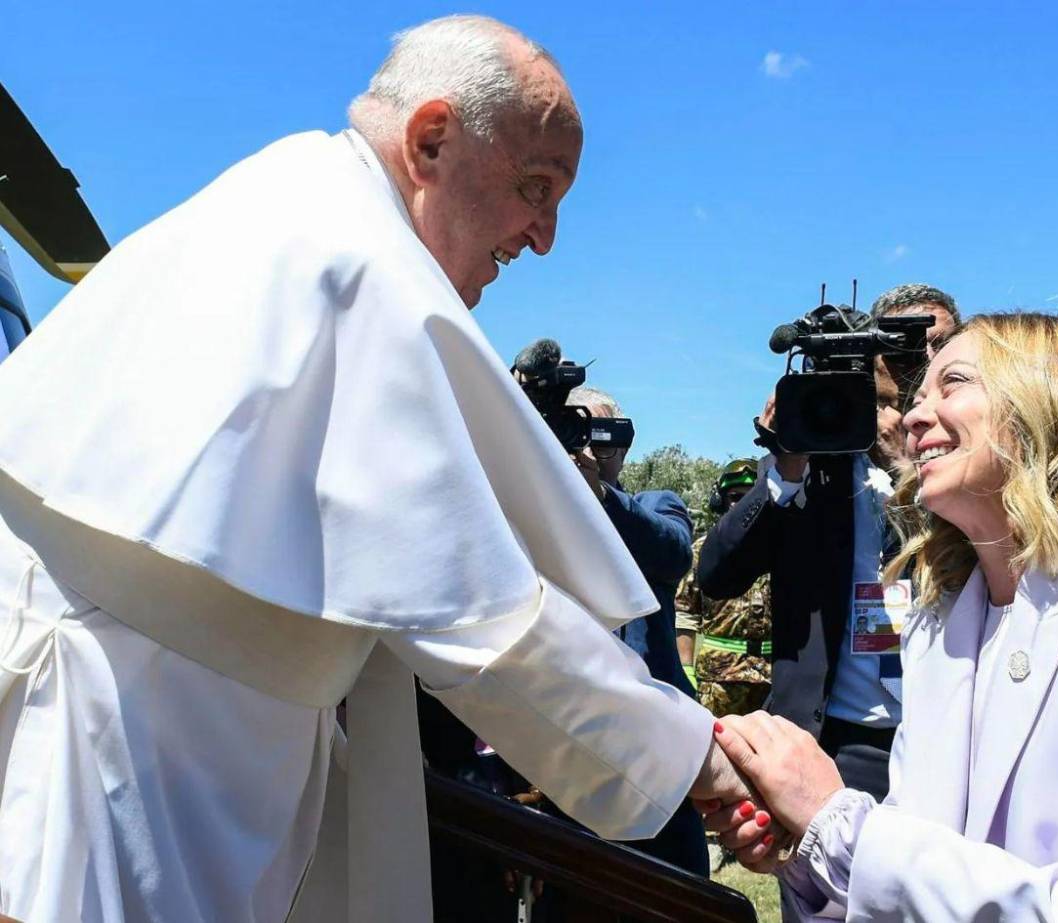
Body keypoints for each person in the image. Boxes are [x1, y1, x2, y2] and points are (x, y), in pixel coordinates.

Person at [0, 16, 750, 923]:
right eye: (535, 186)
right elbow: (480, 621)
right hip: (123, 768)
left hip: (178, 745)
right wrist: (692, 755)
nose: (543, 236)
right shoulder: (350, 259)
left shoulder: (295, 202)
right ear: (431, 140)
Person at [706, 313, 1058, 921]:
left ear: (1050, 406)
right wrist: (807, 852)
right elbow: (925, 869)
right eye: (914, 399)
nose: (912, 419)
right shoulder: (939, 624)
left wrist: (838, 823)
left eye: (953, 384)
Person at [699, 305, 958, 802]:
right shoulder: (802, 473)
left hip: (938, 736)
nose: (889, 412)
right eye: (875, 397)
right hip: (830, 740)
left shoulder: (956, 469)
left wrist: (909, 468)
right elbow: (717, 575)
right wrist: (786, 466)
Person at [565, 384, 708, 876]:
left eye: (599, 438)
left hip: (655, 736)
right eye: (573, 433)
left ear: (622, 448)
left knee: (677, 882)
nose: (586, 451)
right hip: (572, 735)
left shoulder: (652, 503)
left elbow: (672, 552)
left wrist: (599, 496)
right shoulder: (534, 523)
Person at [676, 458, 773, 717]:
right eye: (735, 496)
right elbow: (685, 615)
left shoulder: (781, 550)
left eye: (751, 496)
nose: (742, 503)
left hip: (772, 680)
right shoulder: (702, 551)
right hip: (718, 682)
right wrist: (686, 670)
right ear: (720, 501)